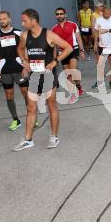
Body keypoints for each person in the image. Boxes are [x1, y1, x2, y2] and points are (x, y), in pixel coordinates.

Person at [14, 8, 73, 151]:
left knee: (51, 104)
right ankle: (28, 140)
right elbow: (20, 49)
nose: (22, 23)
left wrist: (55, 61)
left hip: (48, 75)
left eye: (24, 20)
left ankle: (54, 137)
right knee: (31, 107)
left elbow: (68, 48)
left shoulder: (48, 34)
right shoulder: (24, 35)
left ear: (33, 21)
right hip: (34, 76)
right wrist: (24, 62)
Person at [0, 11, 29, 131]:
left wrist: (26, 65)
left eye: (4, 18)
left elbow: (25, 49)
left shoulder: (19, 33)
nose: (2, 21)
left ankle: (32, 117)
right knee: (9, 95)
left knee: (26, 93)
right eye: (0, 19)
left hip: (19, 68)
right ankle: (16, 120)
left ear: (9, 19)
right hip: (5, 69)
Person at [52, 7, 85, 104]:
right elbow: (54, 46)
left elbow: (78, 38)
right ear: (55, 16)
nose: (59, 15)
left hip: (73, 50)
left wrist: (82, 50)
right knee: (68, 74)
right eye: (57, 14)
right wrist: (55, 59)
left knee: (73, 71)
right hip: (62, 53)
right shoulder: (54, 29)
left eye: (61, 13)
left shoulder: (73, 25)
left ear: (65, 15)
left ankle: (73, 94)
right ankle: (78, 86)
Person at [92, 7, 111, 89]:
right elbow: (96, 32)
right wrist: (95, 44)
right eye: (106, 13)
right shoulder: (99, 20)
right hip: (101, 45)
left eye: (109, 13)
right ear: (102, 12)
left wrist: (109, 30)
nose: (108, 15)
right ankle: (99, 81)